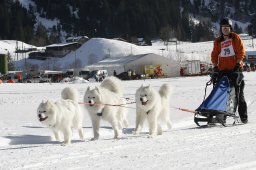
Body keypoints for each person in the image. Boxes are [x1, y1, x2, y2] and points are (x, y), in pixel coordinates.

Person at [211, 17, 248, 124]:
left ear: (230, 28)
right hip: (223, 70)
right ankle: (222, 116)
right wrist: (215, 67)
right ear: (221, 29)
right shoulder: (218, 41)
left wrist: (238, 63)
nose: (225, 29)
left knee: (238, 93)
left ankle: (243, 117)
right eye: (223, 28)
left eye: (227, 27)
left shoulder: (236, 38)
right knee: (222, 94)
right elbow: (214, 55)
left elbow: (241, 52)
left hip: (235, 70)